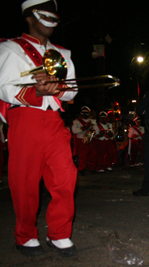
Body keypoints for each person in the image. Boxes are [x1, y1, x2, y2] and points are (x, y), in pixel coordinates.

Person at [0, 0, 78, 256]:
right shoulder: (10, 48)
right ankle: (25, 235)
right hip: (25, 119)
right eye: (46, 15)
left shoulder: (63, 53)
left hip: (54, 120)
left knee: (65, 178)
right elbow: (4, 88)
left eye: (55, 15)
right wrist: (35, 90)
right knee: (25, 182)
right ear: (30, 17)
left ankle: (59, 234)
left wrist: (60, 88)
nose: (52, 21)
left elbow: (72, 91)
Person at [71, 106, 97, 175]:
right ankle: (81, 169)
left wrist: (93, 131)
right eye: (84, 113)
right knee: (82, 156)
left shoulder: (93, 121)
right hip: (81, 140)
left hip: (91, 140)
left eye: (87, 113)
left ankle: (92, 168)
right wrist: (83, 128)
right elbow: (74, 130)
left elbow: (96, 130)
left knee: (93, 155)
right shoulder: (76, 121)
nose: (85, 114)